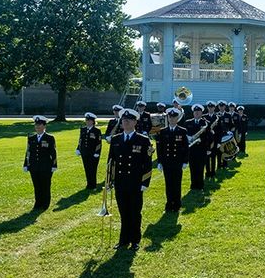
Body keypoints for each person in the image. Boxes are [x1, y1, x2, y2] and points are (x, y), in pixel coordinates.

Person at [109, 108, 153, 249]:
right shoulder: (116, 140)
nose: (125, 122)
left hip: (135, 182)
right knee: (123, 212)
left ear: (135, 122)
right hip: (121, 182)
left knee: (135, 212)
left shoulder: (143, 140)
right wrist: (110, 180)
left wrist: (145, 182)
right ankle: (123, 240)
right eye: (124, 120)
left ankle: (135, 240)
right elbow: (111, 162)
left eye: (129, 120)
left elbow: (147, 163)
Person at [156, 107, 188, 212]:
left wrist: (185, 161)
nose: (172, 119)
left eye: (174, 117)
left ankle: (177, 204)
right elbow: (160, 148)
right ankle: (169, 204)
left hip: (177, 162)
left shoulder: (182, 131)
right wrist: (159, 162)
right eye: (170, 117)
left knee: (177, 183)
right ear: (168, 118)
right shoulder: (162, 131)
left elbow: (185, 147)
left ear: (177, 118)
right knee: (168, 183)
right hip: (167, 162)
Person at [24, 115, 58, 210]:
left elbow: (53, 152)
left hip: (46, 166)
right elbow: (28, 152)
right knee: (37, 185)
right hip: (34, 166)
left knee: (45, 185)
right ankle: (38, 203)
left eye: (39, 125)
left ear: (44, 126)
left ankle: (45, 204)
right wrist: (26, 164)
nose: (37, 127)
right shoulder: (31, 138)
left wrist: (54, 164)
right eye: (36, 125)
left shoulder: (49, 138)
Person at [183, 104, 211, 191]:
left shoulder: (206, 123)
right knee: (192, 167)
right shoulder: (188, 122)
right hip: (191, 149)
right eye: (195, 112)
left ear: (202, 113)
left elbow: (209, 137)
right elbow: (184, 135)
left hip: (201, 149)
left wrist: (208, 148)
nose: (197, 113)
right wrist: (188, 138)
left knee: (200, 167)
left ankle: (200, 185)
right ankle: (193, 184)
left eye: (198, 112)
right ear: (193, 113)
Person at [77, 112, 102, 190]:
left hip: (93, 153)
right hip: (85, 152)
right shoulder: (83, 129)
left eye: (89, 120)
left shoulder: (97, 131)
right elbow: (80, 140)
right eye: (86, 120)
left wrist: (97, 152)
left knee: (93, 169)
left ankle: (93, 184)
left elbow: (99, 142)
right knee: (87, 168)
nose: (87, 122)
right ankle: (88, 184)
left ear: (93, 121)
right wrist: (78, 148)